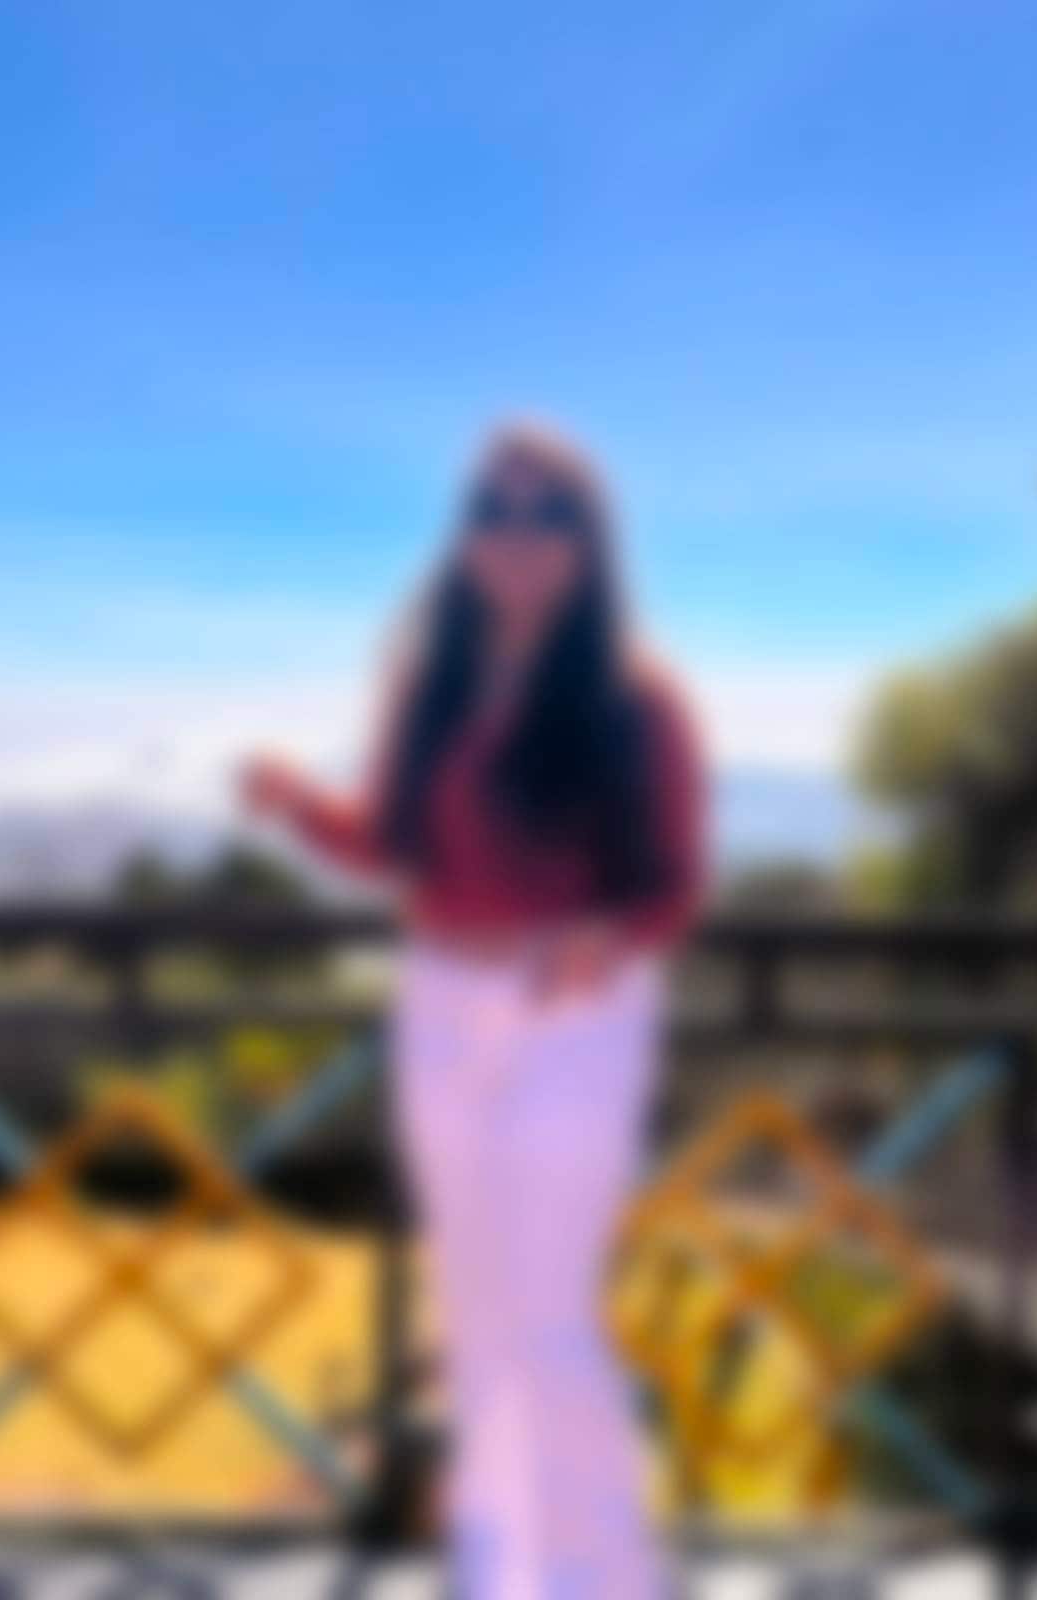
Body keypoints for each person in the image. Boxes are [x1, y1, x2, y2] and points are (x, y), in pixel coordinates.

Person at [241, 419, 708, 1597]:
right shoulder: (431, 683)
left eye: (548, 512)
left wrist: (610, 937)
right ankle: (498, 1569)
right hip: (440, 1003)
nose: (517, 533)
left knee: (548, 1312)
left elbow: (675, 885)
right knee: (477, 1310)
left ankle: (603, 1578)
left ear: (592, 543)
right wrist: (299, 804)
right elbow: (390, 844)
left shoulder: (641, 701)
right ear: (463, 537)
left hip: (574, 1016)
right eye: (493, 510)